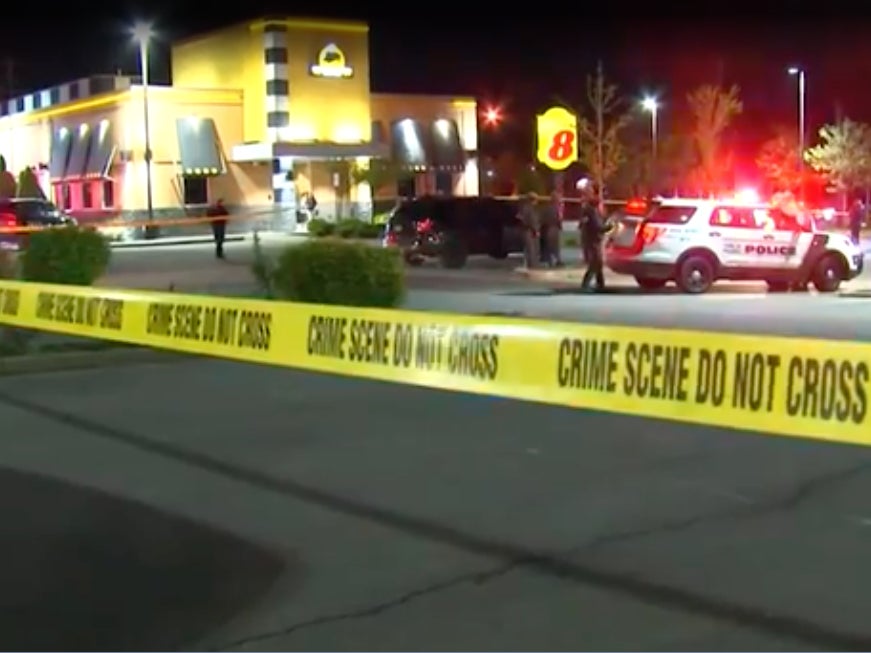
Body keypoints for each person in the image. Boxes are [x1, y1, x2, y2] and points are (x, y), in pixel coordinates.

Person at [579, 184, 608, 291]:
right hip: (593, 240)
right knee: (595, 263)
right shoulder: (592, 211)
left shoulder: (589, 211)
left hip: (592, 239)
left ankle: (601, 284)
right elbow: (598, 226)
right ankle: (586, 284)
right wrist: (609, 227)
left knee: (598, 263)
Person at [539, 191, 563, 268]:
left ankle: (553, 261)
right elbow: (557, 219)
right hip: (552, 228)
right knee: (553, 245)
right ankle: (555, 261)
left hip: (550, 228)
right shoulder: (554, 209)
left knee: (552, 245)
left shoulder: (547, 208)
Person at [518, 192, 540, 269]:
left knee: (529, 248)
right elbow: (532, 221)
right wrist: (535, 230)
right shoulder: (529, 209)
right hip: (529, 231)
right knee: (531, 249)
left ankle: (530, 264)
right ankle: (532, 265)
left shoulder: (525, 208)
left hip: (527, 230)